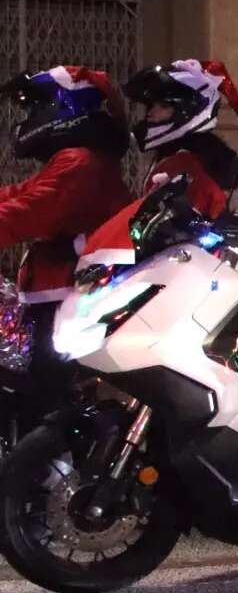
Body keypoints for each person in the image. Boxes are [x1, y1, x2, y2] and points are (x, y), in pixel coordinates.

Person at [0, 67, 135, 420]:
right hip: (57, 295)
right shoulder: (74, 158)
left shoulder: (81, 162)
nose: (30, 119)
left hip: (68, 300)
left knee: (46, 400)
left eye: (37, 108)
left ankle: (45, 470)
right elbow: (20, 195)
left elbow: (27, 212)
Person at [76, 59, 238, 269]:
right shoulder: (184, 157)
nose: (151, 113)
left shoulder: (183, 164)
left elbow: (156, 229)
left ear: (188, 111)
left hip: (179, 275)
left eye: (163, 106)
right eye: (151, 105)